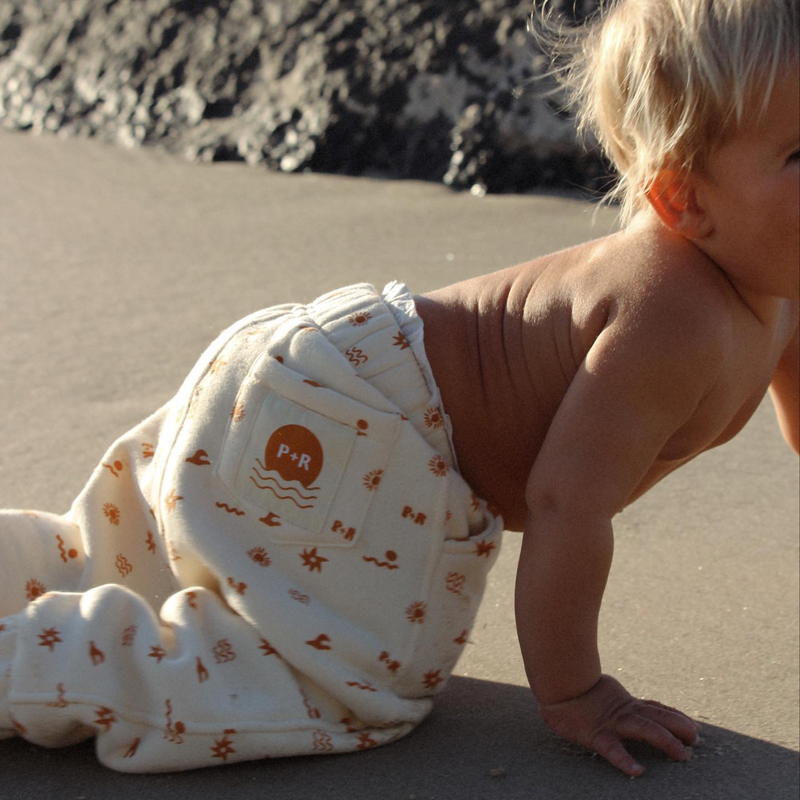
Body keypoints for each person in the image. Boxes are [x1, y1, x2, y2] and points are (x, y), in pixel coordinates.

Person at [1, 0, 797, 776]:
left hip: (321, 373)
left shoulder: (778, 289)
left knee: (108, 556)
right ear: (681, 199)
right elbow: (567, 502)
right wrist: (578, 692)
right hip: (365, 435)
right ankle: (30, 671)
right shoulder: (677, 314)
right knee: (341, 685)